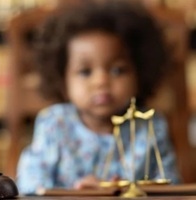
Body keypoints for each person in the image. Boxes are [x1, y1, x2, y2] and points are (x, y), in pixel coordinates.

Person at [16, 0, 181, 195]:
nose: (101, 81)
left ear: (140, 72)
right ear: (63, 80)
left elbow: (171, 192)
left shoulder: (151, 127)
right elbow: (28, 186)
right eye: (85, 72)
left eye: (118, 70)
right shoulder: (54, 124)